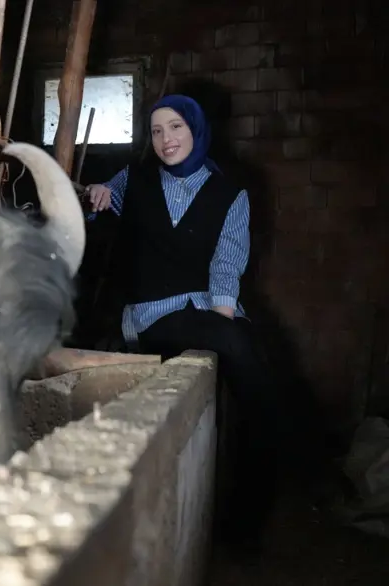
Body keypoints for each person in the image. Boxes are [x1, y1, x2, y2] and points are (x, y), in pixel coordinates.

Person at [84, 94, 281, 552]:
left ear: (195, 130)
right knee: (253, 372)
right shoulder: (133, 180)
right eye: (156, 131)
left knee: (256, 383)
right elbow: (100, 203)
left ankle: (245, 521)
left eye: (175, 127)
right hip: (150, 316)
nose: (166, 139)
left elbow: (226, 269)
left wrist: (221, 329)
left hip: (208, 315)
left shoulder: (231, 196)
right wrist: (98, 195)